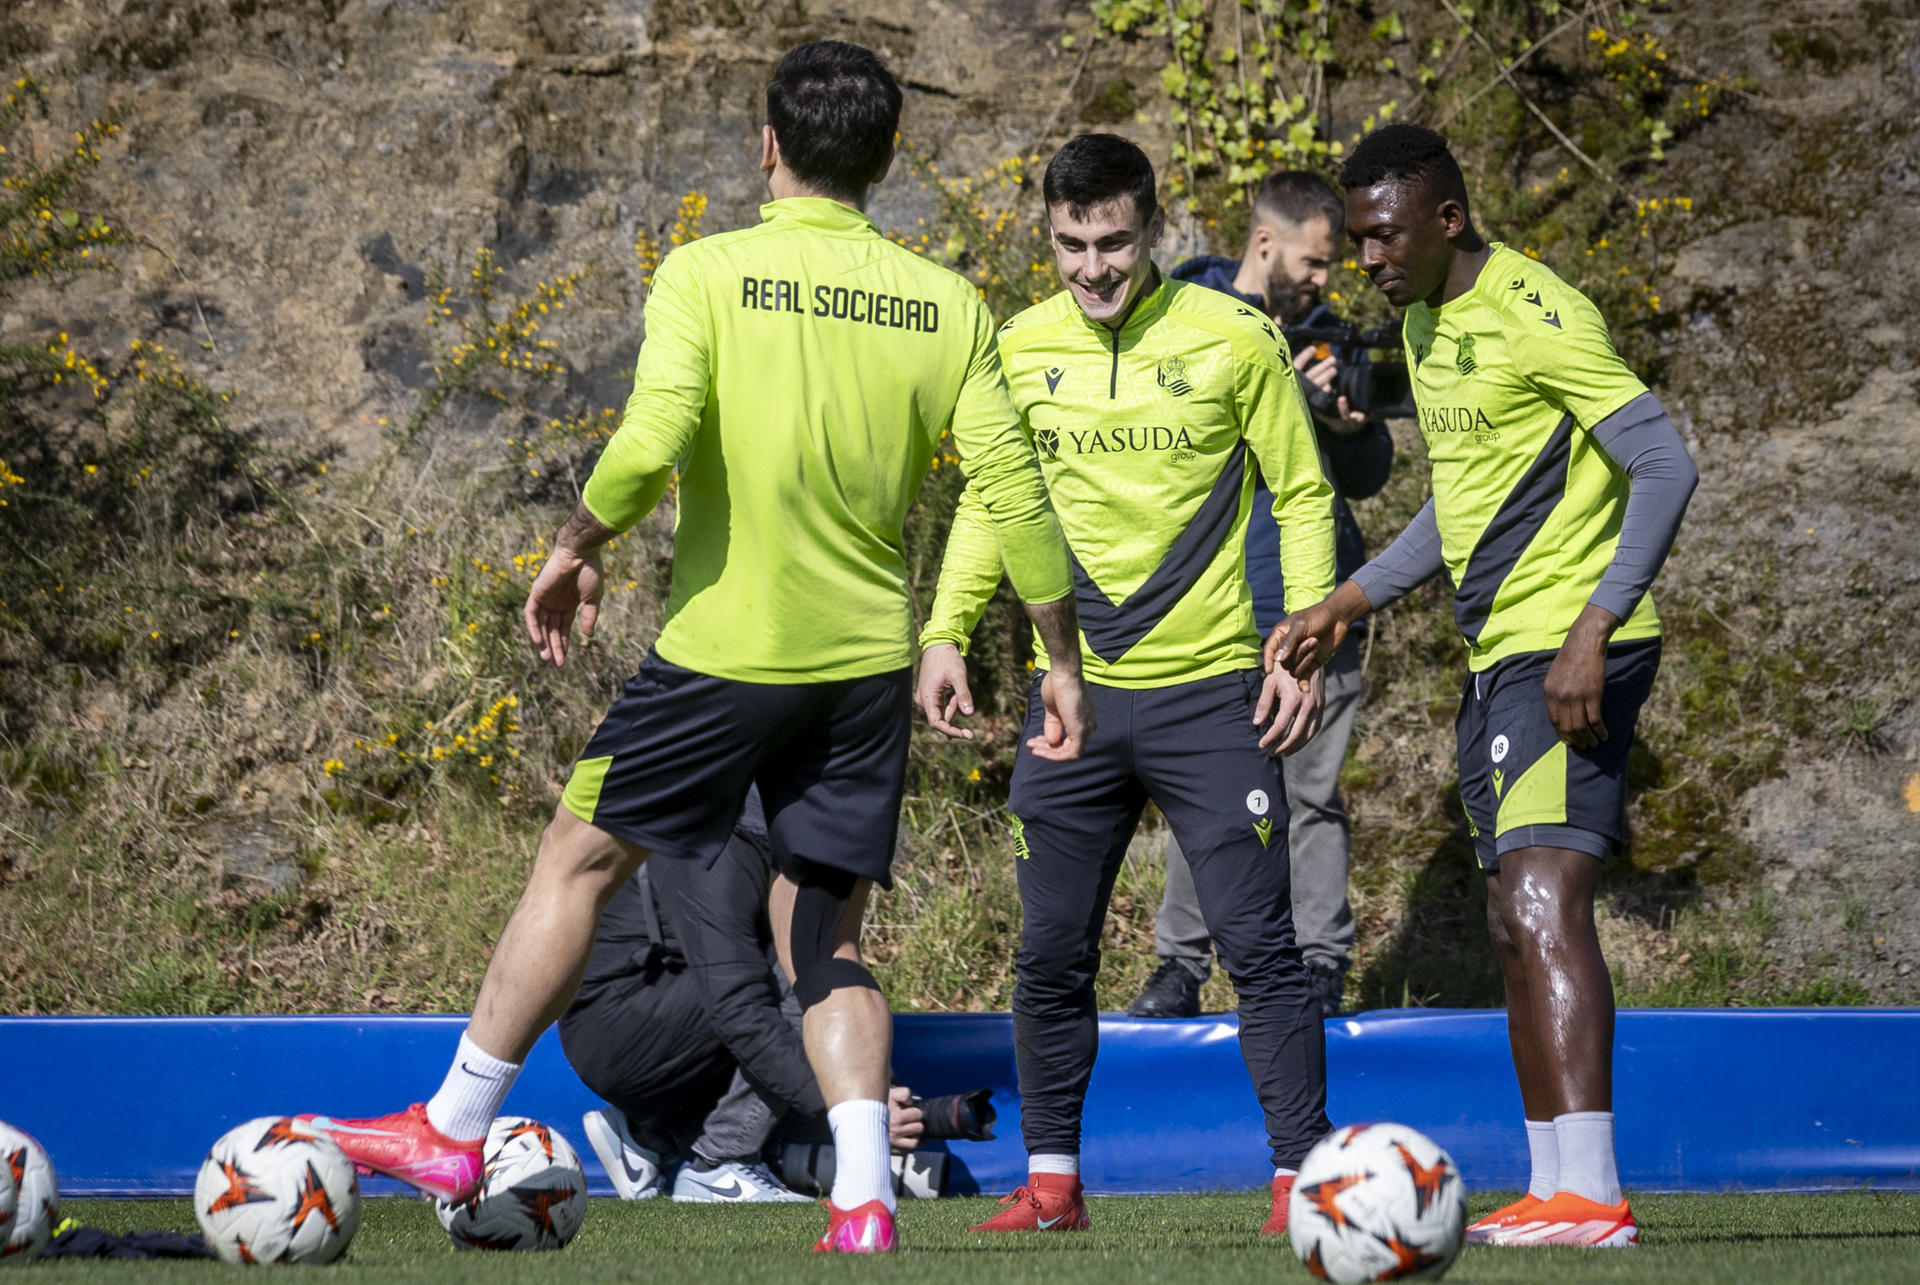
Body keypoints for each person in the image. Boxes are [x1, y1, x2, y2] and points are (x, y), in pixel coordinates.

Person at [299, 39, 1090, 1256]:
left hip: (727, 651)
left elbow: (655, 428)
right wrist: (1059, 659)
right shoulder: (947, 304)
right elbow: (1019, 497)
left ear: (768, 145)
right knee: (828, 941)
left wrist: (575, 542)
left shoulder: (709, 271)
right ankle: (867, 1197)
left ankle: (456, 1124)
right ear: (887, 161)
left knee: (577, 858)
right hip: (864, 667)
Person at [1273, 123, 1697, 1249]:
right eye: (1355, 239)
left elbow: (1665, 460)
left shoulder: (1536, 311)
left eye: (1383, 235)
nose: (1366, 258)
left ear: (1447, 220)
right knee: (1512, 916)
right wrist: (1345, 602)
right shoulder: (1427, 323)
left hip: (1569, 647)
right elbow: (1458, 508)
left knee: (1545, 901)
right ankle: (1558, 1183)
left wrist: (1592, 626)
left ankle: (1598, 1195)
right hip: (1500, 652)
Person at [917, 133, 1336, 1236]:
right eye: (1070, 244)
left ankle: (1300, 1180)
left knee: (1258, 948)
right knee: (1050, 950)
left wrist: (1299, 650)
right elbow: (992, 502)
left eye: (1112, 241)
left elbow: (1299, 495)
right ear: (1045, 236)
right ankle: (1052, 1183)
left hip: (1213, 700)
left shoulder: (1234, 336)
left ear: (1153, 226)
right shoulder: (1015, 348)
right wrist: (947, 628)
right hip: (1076, 704)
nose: (1093, 267)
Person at [1132, 170, 1396, 1020]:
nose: (1323, 280)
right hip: (1211, 605)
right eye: (1315, 262)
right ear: (1265, 241)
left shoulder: (1332, 341)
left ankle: (1320, 964)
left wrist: (1342, 421)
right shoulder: (1182, 312)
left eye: (1331, 267)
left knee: (1311, 795)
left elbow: (1367, 475)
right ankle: (1180, 968)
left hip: (1315, 605)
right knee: (1205, 798)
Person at [563, 791, 925, 1204]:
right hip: (615, 1027)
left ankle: (650, 1137)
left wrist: (878, 1091)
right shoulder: (718, 848)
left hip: (653, 1012)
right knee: (809, 967)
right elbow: (739, 1009)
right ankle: (719, 1163)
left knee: (805, 965)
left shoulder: (775, 838)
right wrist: (856, 1108)